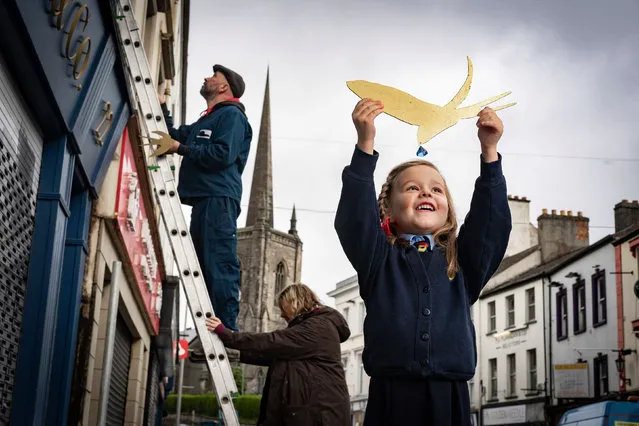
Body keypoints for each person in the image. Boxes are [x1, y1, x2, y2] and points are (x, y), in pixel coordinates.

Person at [334, 99, 512, 425]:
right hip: (391, 396)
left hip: (450, 397)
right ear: (388, 208)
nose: (426, 194)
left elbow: (492, 225)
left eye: (436, 190)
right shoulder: (379, 259)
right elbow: (354, 219)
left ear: (447, 207)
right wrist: (365, 145)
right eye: (412, 188)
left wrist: (490, 152)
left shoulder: (460, 264)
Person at [160, 64, 252, 331]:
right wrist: (162, 107)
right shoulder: (206, 120)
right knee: (202, 266)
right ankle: (210, 328)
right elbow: (171, 137)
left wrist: (181, 149)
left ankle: (227, 330)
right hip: (204, 199)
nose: (206, 78)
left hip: (219, 197)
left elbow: (222, 154)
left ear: (224, 87)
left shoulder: (232, 117)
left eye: (214, 76)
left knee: (219, 263)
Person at [206, 284, 351, 426]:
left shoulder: (318, 326)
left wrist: (228, 335)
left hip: (320, 416)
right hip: (313, 414)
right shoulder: (311, 328)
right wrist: (234, 353)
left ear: (294, 302)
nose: (281, 314)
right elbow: (274, 354)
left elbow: (272, 342)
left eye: (283, 307)